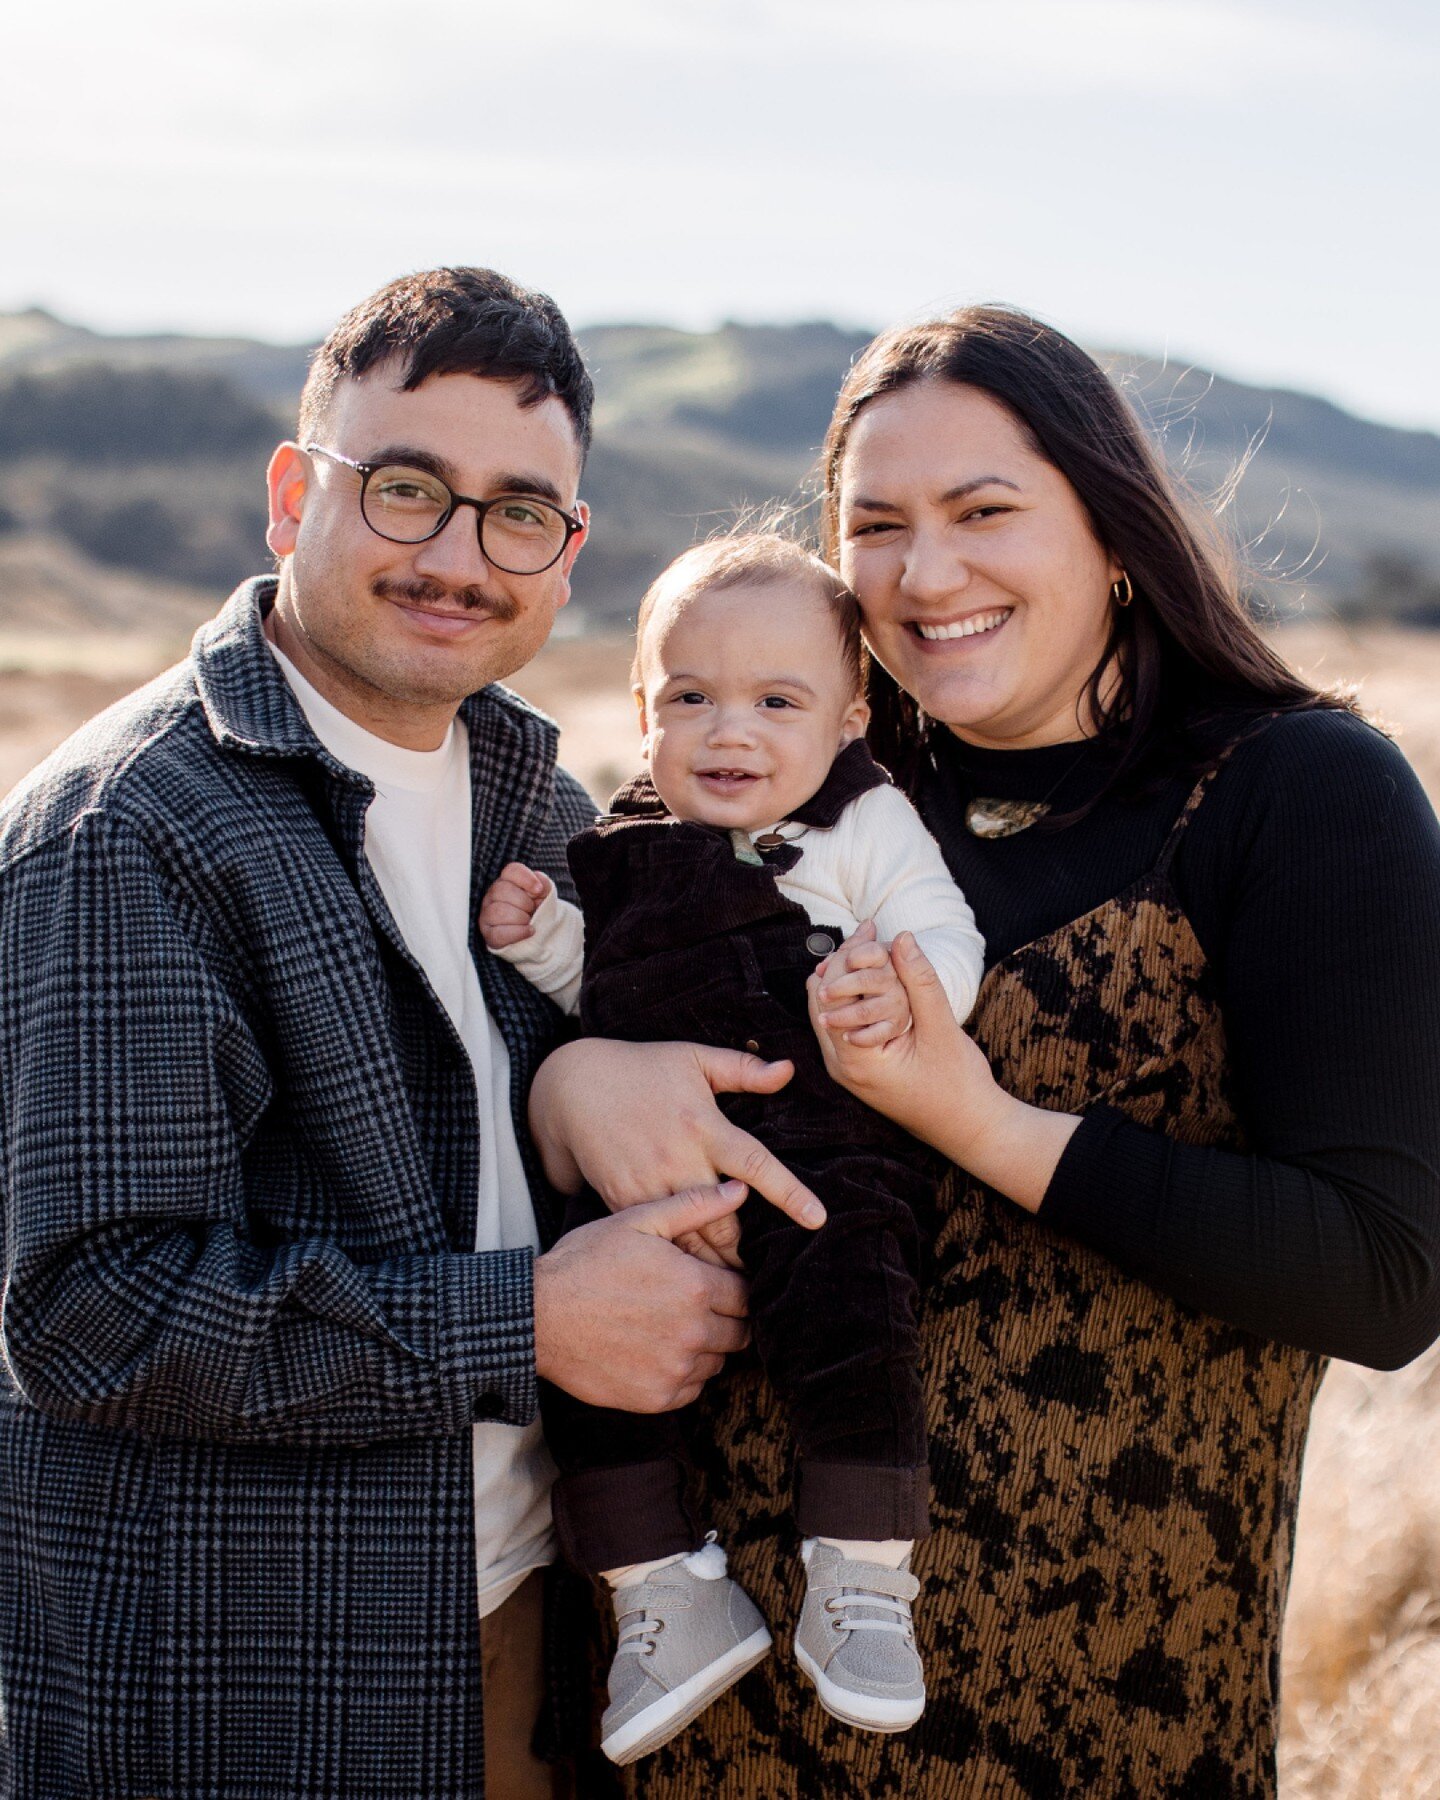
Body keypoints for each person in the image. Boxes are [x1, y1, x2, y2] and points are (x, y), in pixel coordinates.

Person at [524, 306, 1440, 1798]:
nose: (925, 572)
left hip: (1102, 1710)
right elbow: (622, 971)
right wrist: (574, 1088)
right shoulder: (798, 766)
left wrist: (978, 1119)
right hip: (713, 1714)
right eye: (875, 525)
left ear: (1116, 527)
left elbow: (1385, 1277)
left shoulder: (1297, 791)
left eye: (983, 511)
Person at [0, 266, 826, 1800]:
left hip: (531, 1625)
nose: (461, 555)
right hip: (249, 1694)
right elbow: (89, 1312)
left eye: (520, 513)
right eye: (405, 491)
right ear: (289, 496)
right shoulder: (132, 830)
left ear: (566, 555)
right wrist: (524, 1323)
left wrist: (599, 1070)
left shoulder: (535, 797)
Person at [480, 532, 985, 1762]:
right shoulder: (615, 847)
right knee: (590, 1375)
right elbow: (604, 983)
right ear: (643, 709)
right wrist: (542, 941)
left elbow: (943, 932)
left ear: (849, 715)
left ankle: (862, 1577)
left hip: (819, 1162)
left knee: (859, 1312)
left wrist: (905, 991)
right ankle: (661, 1591)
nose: (730, 732)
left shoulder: (863, 825)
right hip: (646, 1191)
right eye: (691, 698)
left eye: (776, 701)